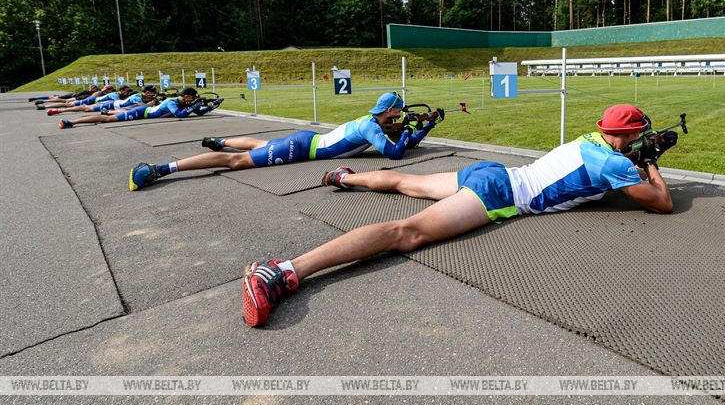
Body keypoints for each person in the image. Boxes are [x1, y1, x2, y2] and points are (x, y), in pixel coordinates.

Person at [240, 103, 674, 327]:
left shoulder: (587, 141)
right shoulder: (618, 165)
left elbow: (601, 173)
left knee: (407, 183)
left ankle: (344, 178)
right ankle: (281, 270)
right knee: (406, 233)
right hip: (502, 191)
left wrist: (634, 157)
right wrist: (651, 162)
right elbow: (661, 203)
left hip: (493, 171)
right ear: (632, 135)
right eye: (641, 136)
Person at [128, 91, 437, 191]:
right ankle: (161, 168)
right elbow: (396, 154)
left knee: (257, 147)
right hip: (302, 148)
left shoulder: (372, 122)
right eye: (398, 115)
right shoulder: (372, 128)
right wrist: (410, 131)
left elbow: (404, 144)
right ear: (389, 111)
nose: (400, 119)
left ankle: (222, 140)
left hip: (307, 142)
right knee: (236, 162)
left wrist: (427, 127)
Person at [57, 87, 220, 130]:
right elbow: (180, 115)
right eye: (193, 98)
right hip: (142, 113)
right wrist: (195, 106)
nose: (194, 100)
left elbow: (198, 112)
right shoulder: (171, 101)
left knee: (109, 116)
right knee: (106, 119)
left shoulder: (184, 102)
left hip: (146, 113)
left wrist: (212, 106)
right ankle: (72, 121)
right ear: (186, 97)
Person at [46, 85, 156, 115]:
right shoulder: (137, 97)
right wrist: (151, 104)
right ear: (146, 92)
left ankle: (54, 107)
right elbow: (142, 106)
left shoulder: (141, 95)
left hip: (115, 105)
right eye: (152, 92)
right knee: (85, 108)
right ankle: (58, 110)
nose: (153, 94)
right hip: (111, 103)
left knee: (75, 104)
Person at [36, 85, 115, 109]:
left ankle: (44, 103)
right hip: (85, 99)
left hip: (84, 98)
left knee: (64, 102)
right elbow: (93, 97)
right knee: (65, 102)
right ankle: (44, 104)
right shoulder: (100, 92)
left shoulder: (102, 92)